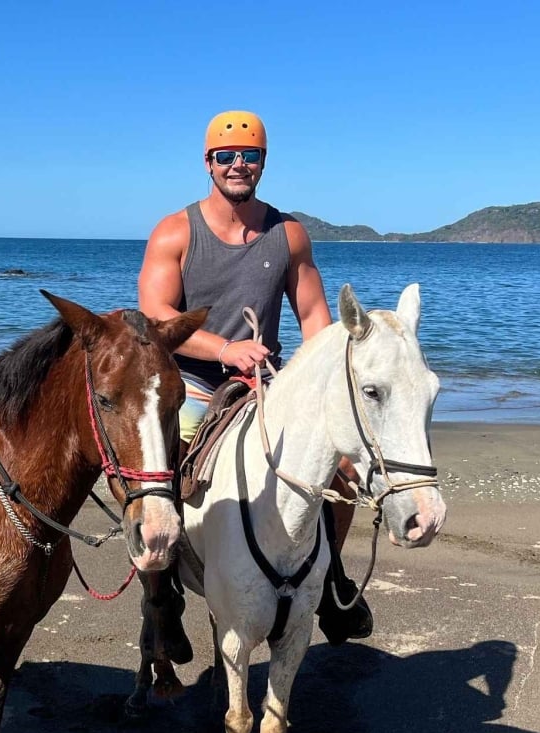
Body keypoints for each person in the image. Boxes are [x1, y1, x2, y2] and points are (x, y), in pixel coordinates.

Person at [136, 110, 371, 658]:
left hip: (266, 384)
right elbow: (155, 316)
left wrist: (332, 378)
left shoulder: (287, 235)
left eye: (250, 156)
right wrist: (223, 348)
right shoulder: (176, 231)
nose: (238, 165)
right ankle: (162, 596)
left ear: (263, 162)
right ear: (208, 163)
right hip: (191, 382)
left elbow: (315, 320)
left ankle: (332, 580)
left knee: (341, 472)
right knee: (156, 475)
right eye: (227, 156)